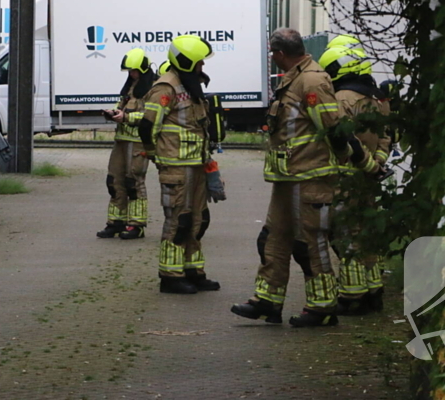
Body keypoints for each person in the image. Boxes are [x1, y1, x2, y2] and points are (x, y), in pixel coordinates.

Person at [231, 28, 376, 327]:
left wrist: (356, 161)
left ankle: (322, 307)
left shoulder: (312, 80)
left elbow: (334, 128)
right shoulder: (295, 78)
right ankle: (267, 301)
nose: (272, 58)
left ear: (280, 53)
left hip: (311, 176)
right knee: (274, 237)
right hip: (288, 177)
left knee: (310, 242)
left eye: (272, 53)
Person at [139, 35, 226, 294]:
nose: (203, 67)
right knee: (178, 221)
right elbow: (147, 126)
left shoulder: (191, 84)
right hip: (176, 166)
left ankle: (193, 272)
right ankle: (170, 276)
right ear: (186, 62)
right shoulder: (166, 88)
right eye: (199, 62)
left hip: (197, 165)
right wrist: (156, 155)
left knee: (198, 220)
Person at [319, 42, 392, 314]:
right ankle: (374, 290)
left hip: (346, 177)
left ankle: (352, 297)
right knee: (366, 234)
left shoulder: (342, 100)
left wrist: (366, 165)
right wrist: (379, 164)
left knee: (343, 236)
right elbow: (387, 137)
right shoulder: (377, 100)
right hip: (370, 179)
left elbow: (342, 139)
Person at [96, 48, 155, 240]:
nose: (131, 74)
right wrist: (113, 112)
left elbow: (150, 115)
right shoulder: (131, 86)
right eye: (129, 71)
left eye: (134, 70)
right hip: (121, 141)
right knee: (114, 181)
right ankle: (116, 222)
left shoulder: (152, 88)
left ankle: (136, 225)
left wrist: (127, 117)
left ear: (143, 68)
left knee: (133, 183)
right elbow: (121, 106)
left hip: (138, 143)